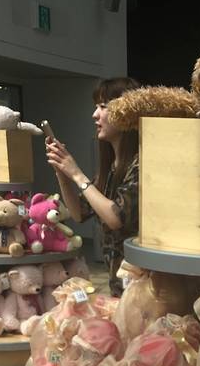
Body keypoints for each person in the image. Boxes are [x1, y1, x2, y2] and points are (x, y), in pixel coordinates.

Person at [45, 77, 140, 296]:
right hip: (117, 282)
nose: (95, 115)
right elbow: (79, 213)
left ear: (126, 113)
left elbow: (116, 217)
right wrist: (62, 172)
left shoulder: (141, 163)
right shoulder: (111, 167)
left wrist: (76, 173)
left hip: (139, 283)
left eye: (103, 107)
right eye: (96, 106)